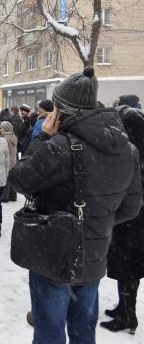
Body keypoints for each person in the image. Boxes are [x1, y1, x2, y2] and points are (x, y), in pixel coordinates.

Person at [8, 67, 143, 344]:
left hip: (54, 255)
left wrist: (41, 138)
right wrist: (96, 222)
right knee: (84, 333)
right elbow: (131, 208)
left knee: (49, 333)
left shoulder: (59, 147)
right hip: (94, 256)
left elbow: (19, 180)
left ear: (62, 110)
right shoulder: (126, 148)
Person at [100, 104, 144, 334]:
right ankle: (123, 309)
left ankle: (128, 316)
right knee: (128, 268)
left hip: (131, 222)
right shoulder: (133, 151)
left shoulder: (132, 154)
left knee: (128, 269)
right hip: (131, 221)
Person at [0, 121, 18, 202]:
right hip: (13, 159)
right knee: (11, 178)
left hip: (6, 160)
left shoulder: (4, 139)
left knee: (5, 178)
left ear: (5, 129)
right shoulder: (13, 137)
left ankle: (4, 197)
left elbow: (2, 151)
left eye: (1, 128)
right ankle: (13, 196)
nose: (0, 130)